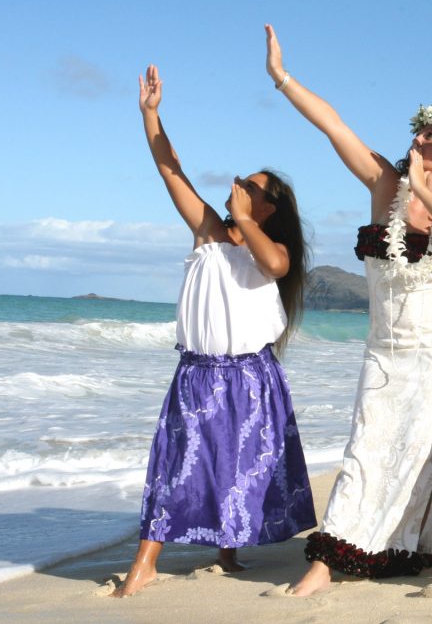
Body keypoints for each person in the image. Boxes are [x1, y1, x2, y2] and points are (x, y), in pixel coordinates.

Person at [263, 25, 432, 597]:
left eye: (431, 136)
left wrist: (428, 189)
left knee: (423, 452)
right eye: (416, 132)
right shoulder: (385, 186)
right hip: (385, 345)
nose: (418, 138)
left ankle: (398, 549)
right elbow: (335, 125)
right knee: (367, 443)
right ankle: (332, 554)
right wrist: (282, 79)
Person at [112, 64, 316, 597]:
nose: (237, 187)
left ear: (268, 208)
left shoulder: (272, 248)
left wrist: (246, 216)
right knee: (176, 463)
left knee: (237, 466)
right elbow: (170, 169)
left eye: (251, 187)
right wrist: (151, 114)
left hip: (250, 375)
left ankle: (227, 551)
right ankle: (146, 562)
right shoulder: (207, 233)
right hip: (198, 372)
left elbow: (273, 265)